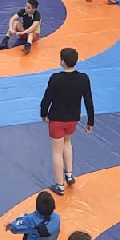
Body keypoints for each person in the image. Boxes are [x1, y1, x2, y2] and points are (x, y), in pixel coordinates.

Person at [39, 49, 94, 195]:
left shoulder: (56, 78)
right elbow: (88, 101)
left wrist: (43, 113)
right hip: (72, 120)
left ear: (62, 61)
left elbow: (47, 98)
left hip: (57, 119)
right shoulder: (83, 78)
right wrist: (90, 121)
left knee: (57, 151)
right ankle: (69, 175)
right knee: (67, 142)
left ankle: (59, 185)